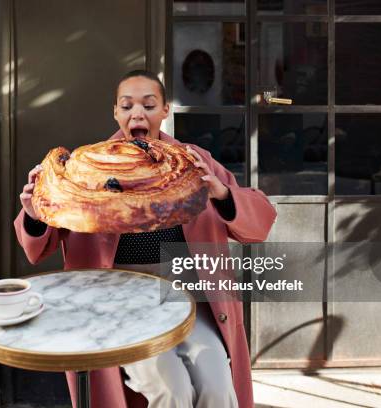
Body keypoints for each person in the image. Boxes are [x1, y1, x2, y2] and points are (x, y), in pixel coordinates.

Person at [14, 70, 276, 408]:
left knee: (218, 388)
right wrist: (35, 211)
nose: (137, 114)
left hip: (187, 301)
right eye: (127, 106)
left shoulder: (194, 163)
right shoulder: (87, 168)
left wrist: (221, 193)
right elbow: (38, 247)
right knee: (173, 390)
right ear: (116, 113)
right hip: (120, 307)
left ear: (165, 110)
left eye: (149, 105)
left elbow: (259, 223)